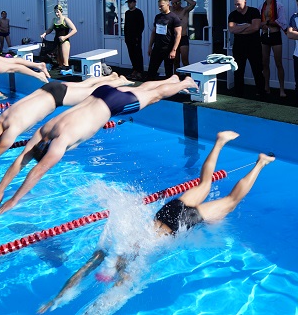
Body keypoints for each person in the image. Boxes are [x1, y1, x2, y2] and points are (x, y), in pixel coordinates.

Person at [38, 131, 275, 312]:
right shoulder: (111, 245)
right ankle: (220, 141)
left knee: (231, 201)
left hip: (180, 223)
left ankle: (262, 162)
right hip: (165, 213)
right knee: (204, 183)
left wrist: (59, 302)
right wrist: (55, 298)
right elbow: (80, 275)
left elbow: (114, 295)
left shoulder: (127, 262)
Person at [0, 74, 198, 215]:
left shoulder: (60, 143)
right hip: (101, 93)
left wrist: (13, 200)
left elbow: (36, 172)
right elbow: (20, 160)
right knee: (144, 92)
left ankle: (184, 83)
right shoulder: (46, 130)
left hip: (113, 105)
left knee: (155, 96)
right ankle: (171, 79)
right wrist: (0, 190)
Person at [0, 72, 131, 176]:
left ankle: (118, 82)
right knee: (83, 85)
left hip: (56, 98)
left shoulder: (11, 130)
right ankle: (110, 77)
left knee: (90, 92)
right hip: (48, 88)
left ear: (0, 135)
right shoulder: (0, 120)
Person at [227, 0, 266, 98]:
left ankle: (261, 92)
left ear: (245, 2)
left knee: (257, 69)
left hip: (254, 46)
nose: (237, 7)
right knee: (238, 70)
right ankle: (238, 93)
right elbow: (232, 30)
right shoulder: (233, 15)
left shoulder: (254, 12)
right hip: (239, 47)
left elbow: (255, 28)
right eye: (235, 4)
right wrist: (246, 26)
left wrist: (239, 29)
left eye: (239, 4)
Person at [259, 0, 288, 98]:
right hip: (265, 35)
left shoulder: (279, 5)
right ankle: (266, 87)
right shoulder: (261, 6)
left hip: (275, 35)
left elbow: (282, 22)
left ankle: (281, 89)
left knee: (278, 63)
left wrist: (267, 22)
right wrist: (265, 23)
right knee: (265, 63)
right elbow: (259, 22)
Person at [146, 0, 182, 80]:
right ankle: (149, 89)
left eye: (161, 6)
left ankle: (169, 90)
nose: (159, 8)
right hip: (157, 47)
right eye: (158, 6)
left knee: (168, 72)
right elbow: (154, 32)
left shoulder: (174, 18)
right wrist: (150, 46)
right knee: (151, 70)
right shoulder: (158, 17)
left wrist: (174, 50)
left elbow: (178, 35)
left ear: (167, 5)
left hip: (168, 48)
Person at [40, 4, 77, 71]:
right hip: (56, 40)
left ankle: (67, 70)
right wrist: (44, 34)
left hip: (64, 41)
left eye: (58, 12)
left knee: (65, 61)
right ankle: (60, 70)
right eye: (55, 12)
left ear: (61, 11)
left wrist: (65, 37)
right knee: (59, 60)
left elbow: (74, 30)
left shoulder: (66, 20)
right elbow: (50, 29)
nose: (56, 14)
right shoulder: (54, 20)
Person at [169, 0, 196, 68]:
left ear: (180, 3)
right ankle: (176, 77)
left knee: (185, 60)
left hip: (183, 37)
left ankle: (188, 77)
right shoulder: (171, 10)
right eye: (173, 3)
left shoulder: (184, 10)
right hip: (174, 38)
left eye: (176, 3)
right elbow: (162, 5)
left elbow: (193, 3)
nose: (174, 5)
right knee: (175, 61)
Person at [123, 0, 145, 80]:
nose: (129, 4)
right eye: (128, 3)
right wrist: (125, 36)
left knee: (138, 55)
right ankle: (134, 70)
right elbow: (126, 26)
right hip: (128, 38)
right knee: (131, 55)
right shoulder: (127, 13)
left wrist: (137, 36)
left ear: (134, 3)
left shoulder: (138, 12)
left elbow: (141, 26)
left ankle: (140, 72)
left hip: (136, 38)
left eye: (130, 3)